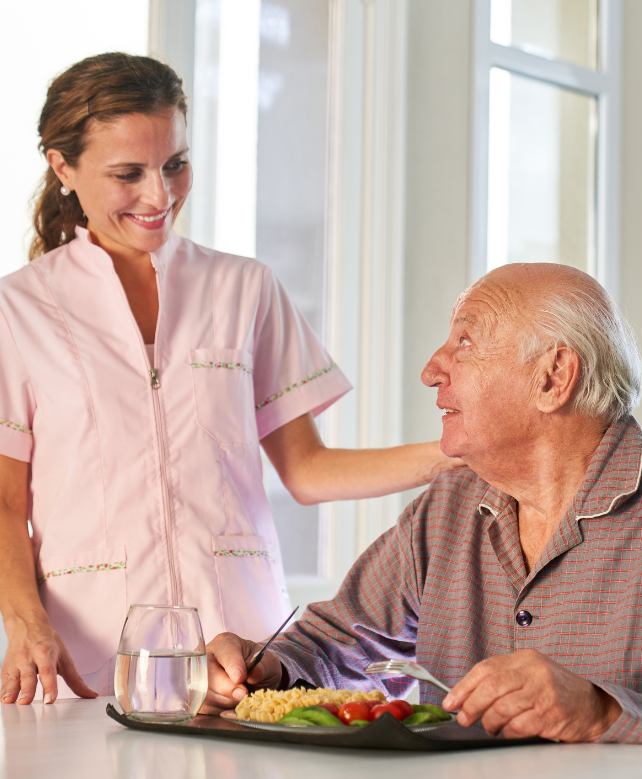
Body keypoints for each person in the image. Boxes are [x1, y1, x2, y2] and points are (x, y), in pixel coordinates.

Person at [0, 53, 458, 705]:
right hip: (89, 659)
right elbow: (4, 504)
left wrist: (456, 455)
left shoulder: (244, 289)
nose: (160, 196)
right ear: (62, 168)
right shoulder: (17, 311)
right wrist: (26, 626)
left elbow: (307, 469)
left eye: (175, 164)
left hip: (242, 652)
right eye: (128, 174)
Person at [203, 262, 642, 755]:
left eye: (465, 341)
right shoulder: (450, 506)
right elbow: (333, 644)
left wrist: (600, 712)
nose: (431, 369)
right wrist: (264, 670)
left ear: (553, 377)